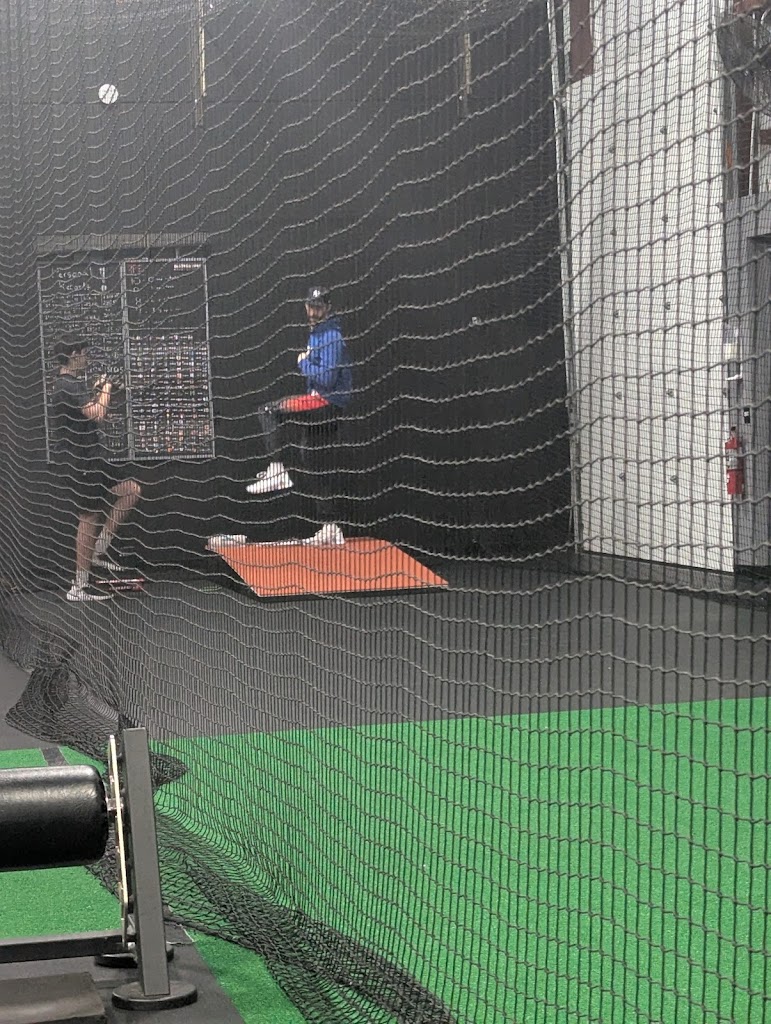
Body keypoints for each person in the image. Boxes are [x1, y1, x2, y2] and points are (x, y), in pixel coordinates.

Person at [246, 286, 353, 545]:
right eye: (310, 306)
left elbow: (327, 379)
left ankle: (277, 470)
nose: (313, 311)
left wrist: (303, 362)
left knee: (269, 410)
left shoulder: (330, 335)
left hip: (326, 403)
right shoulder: (318, 332)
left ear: (328, 307)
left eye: (318, 307)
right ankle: (330, 527)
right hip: (323, 402)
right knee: (313, 461)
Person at [49, 338, 141, 601]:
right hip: (80, 462)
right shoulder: (67, 385)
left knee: (131, 491)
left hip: (92, 458)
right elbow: (98, 414)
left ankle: (99, 549)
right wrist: (107, 387)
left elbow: (87, 413)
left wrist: (99, 390)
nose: (87, 358)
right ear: (73, 354)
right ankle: (78, 587)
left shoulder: (72, 384)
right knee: (88, 517)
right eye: (84, 353)